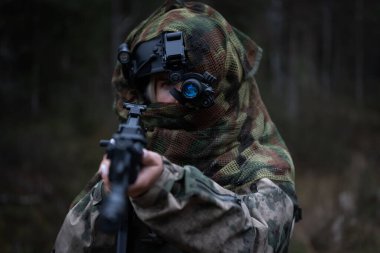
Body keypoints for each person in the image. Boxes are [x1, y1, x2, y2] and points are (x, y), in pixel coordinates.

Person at [53, 1, 301, 252]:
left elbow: (257, 241)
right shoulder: (141, 148)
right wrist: (107, 196)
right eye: (164, 84)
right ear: (146, 93)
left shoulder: (261, 165)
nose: (175, 97)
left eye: (188, 84)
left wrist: (163, 188)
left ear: (220, 89)